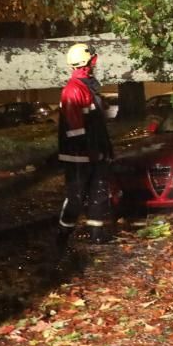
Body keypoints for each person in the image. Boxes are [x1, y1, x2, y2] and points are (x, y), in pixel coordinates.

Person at [56, 43, 115, 248]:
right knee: (76, 198)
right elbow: (75, 129)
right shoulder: (74, 90)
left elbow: (96, 124)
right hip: (79, 156)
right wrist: (90, 151)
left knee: (99, 192)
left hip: (94, 152)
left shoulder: (88, 87)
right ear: (91, 61)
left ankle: (96, 233)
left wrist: (104, 149)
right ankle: (63, 234)